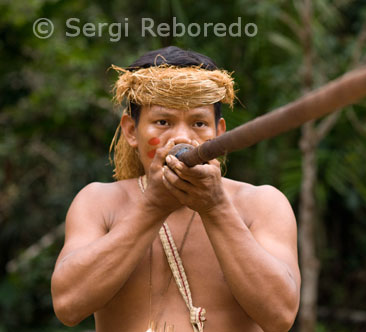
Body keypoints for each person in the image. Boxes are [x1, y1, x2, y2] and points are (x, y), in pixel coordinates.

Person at [51, 46, 300, 332]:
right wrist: (152, 207)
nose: (182, 137)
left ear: (219, 133)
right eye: (163, 122)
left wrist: (216, 208)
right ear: (131, 131)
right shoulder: (99, 202)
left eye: (198, 123)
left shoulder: (262, 204)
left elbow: (280, 316)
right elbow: (68, 305)